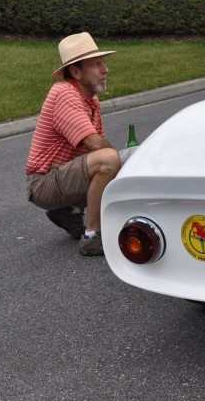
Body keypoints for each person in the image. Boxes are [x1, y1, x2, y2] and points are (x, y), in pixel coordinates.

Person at [25, 32, 122, 256]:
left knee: (112, 162)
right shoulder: (65, 93)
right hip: (43, 183)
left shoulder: (91, 101)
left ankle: (69, 211)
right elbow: (98, 147)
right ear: (76, 72)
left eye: (104, 63)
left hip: (61, 176)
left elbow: (99, 149)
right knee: (109, 161)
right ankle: (92, 237)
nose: (105, 69)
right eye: (97, 64)